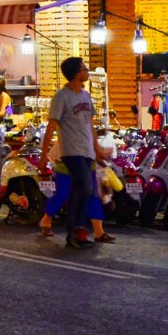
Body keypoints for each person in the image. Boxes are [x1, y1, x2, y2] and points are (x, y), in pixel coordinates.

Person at [38, 57, 109, 249]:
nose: (87, 71)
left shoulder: (86, 96)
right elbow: (51, 126)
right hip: (71, 151)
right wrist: (44, 155)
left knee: (83, 190)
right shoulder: (61, 97)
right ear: (77, 73)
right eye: (85, 69)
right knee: (84, 188)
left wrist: (98, 149)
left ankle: (79, 232)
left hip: (87, 151)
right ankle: (73, 229)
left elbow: (90, 126)